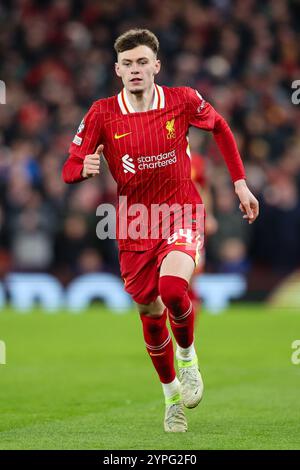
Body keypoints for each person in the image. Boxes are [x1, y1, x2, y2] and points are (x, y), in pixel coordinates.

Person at [62, 28, 259, 432]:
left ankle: (188, 358)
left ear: (156, 66)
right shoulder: (101, 113)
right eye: (127, 64)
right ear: (117, 70)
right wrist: (82, 170)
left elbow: (220, 127)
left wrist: (239, 182)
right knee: (150, 312)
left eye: (142, 62)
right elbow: (69, 166)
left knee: (173, 290)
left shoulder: (183, 100)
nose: (135, 70)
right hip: (135, 225)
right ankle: (171, 397)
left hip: (181, 212)